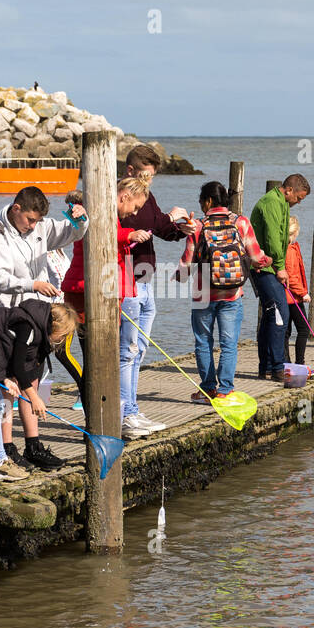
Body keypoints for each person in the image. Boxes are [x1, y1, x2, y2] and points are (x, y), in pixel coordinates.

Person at [0, 185, 87, 470]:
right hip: (6, 317)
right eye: (30, 219)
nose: (34, 226)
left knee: (34, 379)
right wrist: (34, 285)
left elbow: (72, 233)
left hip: (37, 317)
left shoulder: (40, 227)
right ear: (16, 208)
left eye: (38, 221)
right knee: (10, 385)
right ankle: (6, 448)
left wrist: (80, 219)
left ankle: (33, 445)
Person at [61, 176, 154, 439]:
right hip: (85, 292)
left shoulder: (108, 213)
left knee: (104, 358)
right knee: (95, 358)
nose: (133, 213)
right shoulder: (101, 211)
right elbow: (100, 232)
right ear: (124, 196)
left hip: (103, 292)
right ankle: (98, 422)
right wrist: (129, 235)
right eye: (134, 207)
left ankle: (105, 419)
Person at [0, 299, 80, 481]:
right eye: (63, 335)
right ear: (54, 327)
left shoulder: (34, 325)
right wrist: (34, 398)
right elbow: (18, 366)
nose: (63, 339)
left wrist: (6, 379)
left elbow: (7, 353)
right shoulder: (27, 328)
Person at [118, 144, 192, 438]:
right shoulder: (119, 198)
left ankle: (132, 409)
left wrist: (180, 229)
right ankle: (125, 414)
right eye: (145, 177)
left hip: (146, 283)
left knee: (139, 351)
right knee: (127, 352)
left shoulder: (147, 197)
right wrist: (168, 218)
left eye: (152, 179)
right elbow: (128, 224)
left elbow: (159, 225)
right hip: (126, 282)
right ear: (131, 171)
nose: (148, 186)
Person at [177, 180, 272, 403]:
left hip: (203, 295)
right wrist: (267, 261)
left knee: (203, 341)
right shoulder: (241, 222)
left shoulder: (198, 226)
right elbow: (258, 258)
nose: (201, 205)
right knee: (228, 344)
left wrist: (178, 276)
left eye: (201, 201)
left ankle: (208, 388)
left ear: (208, 201)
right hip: (232, 294)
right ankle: (225, 390)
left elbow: (186, 263)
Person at [249, 174, 311, 380]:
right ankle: (276, 367)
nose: (299, 203)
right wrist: (280, 266)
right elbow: (273, 238)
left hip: (270, 266)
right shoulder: (272, 202)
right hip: (264, 266)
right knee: (279, 314)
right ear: (289, 190)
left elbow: (282, 237)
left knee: (270, 315)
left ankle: (266, 366)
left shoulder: (282, 203)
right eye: (299, 198)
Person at [284, 215, 311, 365]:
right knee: (303, 329)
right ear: (294, 232)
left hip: (290, 296)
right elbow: (292, 277)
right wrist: (303, 293)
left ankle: (286, 363)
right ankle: (299, 363)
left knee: (286, 331)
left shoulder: (292, 248)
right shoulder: (289, 251)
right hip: (292, 297)